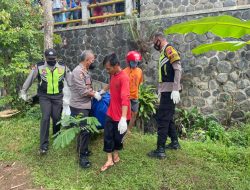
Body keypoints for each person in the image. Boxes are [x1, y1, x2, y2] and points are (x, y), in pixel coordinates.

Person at [20, 48, 72, 155]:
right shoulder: (39, 67)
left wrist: (77, 91)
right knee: (45, 118)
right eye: (49, 58)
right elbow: (30, 79)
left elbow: (71, 81)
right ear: (45, 58)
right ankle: (43, 145)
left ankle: (56, 137)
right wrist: (23, 91)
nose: (51, 60)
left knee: (57, 118)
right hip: (44, 97)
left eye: (53, 58)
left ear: (56, 58)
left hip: (58, 96)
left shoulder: (63, 66)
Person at [147, 32, 182, 159]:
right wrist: (160, 91)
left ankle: (160, 149)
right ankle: (174, 142)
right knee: (168, 117)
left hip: (170, 91)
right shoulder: (163, 52)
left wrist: (176, 89)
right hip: (165, 91)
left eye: (154, 41)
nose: (153, 44)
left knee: (162, 118)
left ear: (159, 39)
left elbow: (178, 69)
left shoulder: (169, 49)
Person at [69, 50, 102, 168]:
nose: (93, 62)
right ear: (86, 60)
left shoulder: (85, 71)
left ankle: (84, 149)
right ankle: (82, 157)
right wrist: (95, 94)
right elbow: (83, 91)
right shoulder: (78, 72)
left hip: (85, 105)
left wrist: (96, 92)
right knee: (84, 131)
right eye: (92, 60)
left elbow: (88, 87)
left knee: (86, 130)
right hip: (79, 106)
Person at [100, 53, 131, 172]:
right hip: (111, 112)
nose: (107, 71)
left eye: (108, 68)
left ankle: (116, 154)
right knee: (108, 135)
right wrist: (102, 91)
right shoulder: (113, 74)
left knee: (118, 138)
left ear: (116, 65)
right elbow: (111, 84)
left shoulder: (124, 78)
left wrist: (123, 118)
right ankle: (109, 160)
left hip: (121, 115)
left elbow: (125, 98)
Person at [123, 51, 143, 133]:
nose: (134, 63)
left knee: (134, 113)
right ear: (129, 62)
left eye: (136, 62)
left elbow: (140, 83)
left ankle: (129, 129)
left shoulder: (140, 71)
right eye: (133, 62)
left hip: (135, 96)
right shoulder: (124, 71)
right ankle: (122, 128)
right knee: (124, 113)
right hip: (126, 96)